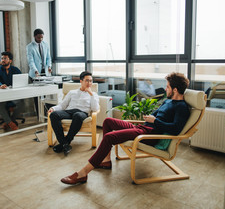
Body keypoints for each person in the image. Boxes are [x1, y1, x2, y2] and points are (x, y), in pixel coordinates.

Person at [60, 72, 190, 184]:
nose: (165, 89)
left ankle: (83, 173)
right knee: (108, 122)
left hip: (149, 135)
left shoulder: (181, 107)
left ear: (175, 90)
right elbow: (157, 115)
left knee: (110, 137)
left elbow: (175, 129)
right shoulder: (168, 101)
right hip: (143, 128)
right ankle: (105, 160)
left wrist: (155, 121)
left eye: (168, 87)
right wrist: (150, 117)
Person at [48, 71, 99, 155]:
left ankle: (66, 142)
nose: (89, 83)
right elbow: (62, 105)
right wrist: (53, 108)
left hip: (82, 113)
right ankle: (64, 143)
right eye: (87, 80)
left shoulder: (93, 95)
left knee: (77, 115)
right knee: (54, 115)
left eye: (91, 81)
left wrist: (91, 94)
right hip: (69, 112)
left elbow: (95, 108)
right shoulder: (72, 92)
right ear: (81, 81)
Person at [0, 51, 24, 131]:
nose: (3, 60)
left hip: (13, 95)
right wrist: (0, 85)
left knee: (21, 103)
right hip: (1, 95)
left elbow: (21, 80)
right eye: (2, 58)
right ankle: (11, 123)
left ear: (10, 60)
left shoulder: (15, 70)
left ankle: (9, 121)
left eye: (5, 58)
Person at [26, 28, 52, 119]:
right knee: (37, 95)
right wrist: (35, 70)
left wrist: (49, 66)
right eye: (38, 37)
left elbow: (48, 58)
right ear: (34, 36)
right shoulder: (30, 46)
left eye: (42, 37)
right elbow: (31, 61)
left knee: (45, 94)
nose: (40, 39)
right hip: (35, 74)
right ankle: (39, 115)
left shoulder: (45, 45)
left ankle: (45, 114)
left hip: (44, 73)